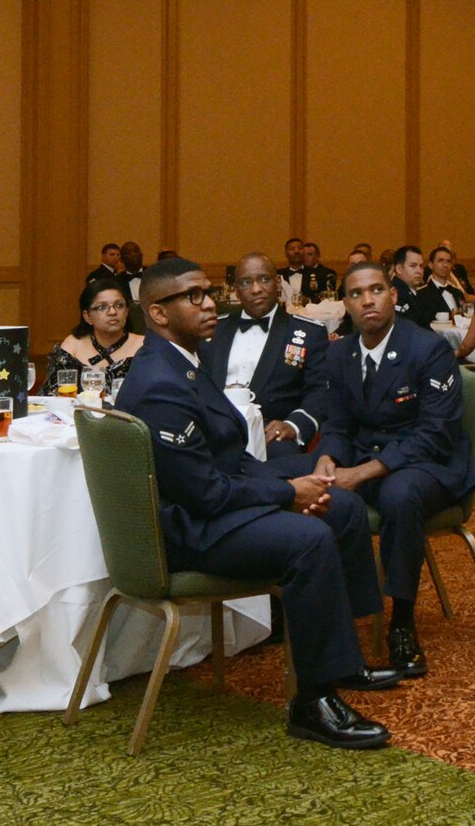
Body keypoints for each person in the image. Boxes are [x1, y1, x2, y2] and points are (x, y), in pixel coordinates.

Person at [114, 258, 400, 747]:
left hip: (213, 500)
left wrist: (299, 486)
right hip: (190, 532)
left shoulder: (183, 360)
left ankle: (342, 657)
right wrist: (288, 494)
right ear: (158, 314)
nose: (210, 304)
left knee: (341, 503)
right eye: (194, 296)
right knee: (308, 540)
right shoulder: (160, 383)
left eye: (208, 292)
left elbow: (227, 459)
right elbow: (205, 493)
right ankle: (312, 703)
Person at [311, 263, 475, 681]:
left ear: (392, 294)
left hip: (429, 464)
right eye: (356, 293)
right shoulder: (339, 353)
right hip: (365, 459)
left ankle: (401, 622)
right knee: (306, 485)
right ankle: (345, 614)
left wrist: (363, 472)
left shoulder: (428, 349)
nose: (367, 300)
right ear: (346, 304)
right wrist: (328, 458)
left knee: (398, 497)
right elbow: (337, 423)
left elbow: (435, 434)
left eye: (376, 290)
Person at [206, 253, 333, 462]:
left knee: (284, 459)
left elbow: (319, 390)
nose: (256, 289)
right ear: (236, 290)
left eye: (264, 279)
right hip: (216, 430)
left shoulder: (308, 333)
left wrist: (294, 425)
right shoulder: (213, 330)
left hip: (272, 435)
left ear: (277, 283)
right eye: (246, 282)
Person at [44, 278, 145, 392]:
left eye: (119, 305)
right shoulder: (73, 345)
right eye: (102, 307)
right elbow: (52, 394)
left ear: (127, 311)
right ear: (87, 316)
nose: (112, 312)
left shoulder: (144, 346)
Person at [388, 245, 434, 329]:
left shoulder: (410, 291)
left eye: (421, 266)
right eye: (413, 266)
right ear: (399, 269)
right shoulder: (397, 294)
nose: (419, 271)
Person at [422, 246, 467, 322]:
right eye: (440, 261)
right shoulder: (422, 295)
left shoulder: (458, 293)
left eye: (448, 261)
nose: (445, 265)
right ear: (430, 265)